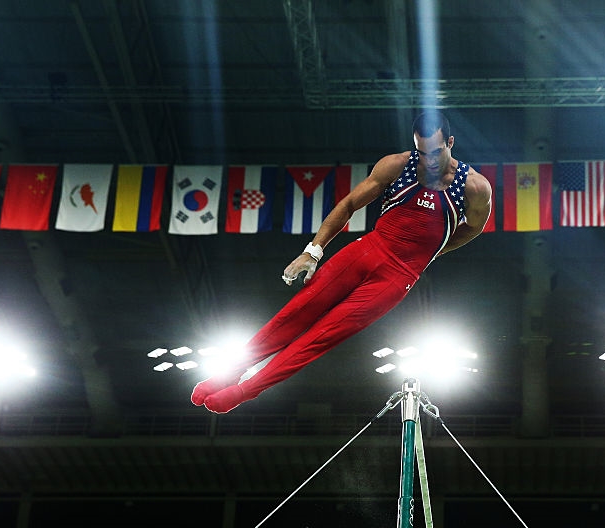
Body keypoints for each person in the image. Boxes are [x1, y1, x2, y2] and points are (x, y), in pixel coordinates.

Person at [191, 111, 492, 413]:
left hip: (396, 278)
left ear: (451, 142)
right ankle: (230, 372)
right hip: (367, 250)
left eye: (437, 152)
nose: (429, 161)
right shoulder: (398, 165)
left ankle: (247, 390)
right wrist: (314, 250)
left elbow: (475, 228)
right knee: (293, 314)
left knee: (320, 337)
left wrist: (430, 253)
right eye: (422, 152)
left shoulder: (474, 188)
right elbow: (348, 204)